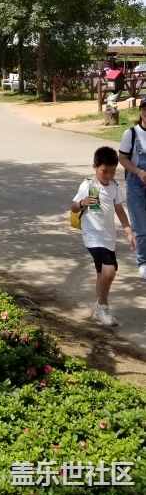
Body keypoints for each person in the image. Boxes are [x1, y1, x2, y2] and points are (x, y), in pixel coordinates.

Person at [71, 145, 136, 327]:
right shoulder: (88, 185)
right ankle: (103, 307)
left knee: (102, 273)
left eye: (112, 171)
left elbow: (119, 210)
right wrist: (83, 203)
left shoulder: (114, 187)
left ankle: (99, 307)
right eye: (104, 171)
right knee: (109, 271)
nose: (108, 175)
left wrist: (128, 231)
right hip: (93, 237)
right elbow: (73, 207)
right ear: (95, 167)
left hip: (108, 237)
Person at [119, 96, 146, 278]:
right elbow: (122, 158)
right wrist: (138, 171)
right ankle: (143, 262)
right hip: (137, 184)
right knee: (141, 226)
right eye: (144, 108)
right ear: (140, 111)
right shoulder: (131, 133)